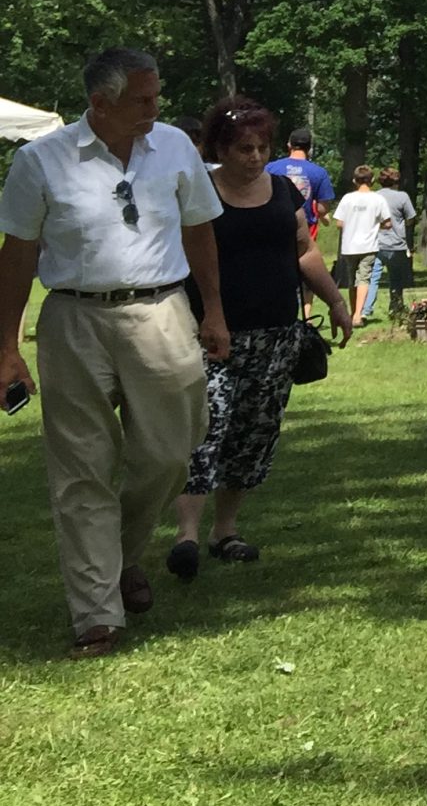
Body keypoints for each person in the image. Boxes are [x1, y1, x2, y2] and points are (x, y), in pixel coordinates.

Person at [0, 48, 229, 657]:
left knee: (170, 451)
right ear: (99, 104)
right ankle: (96, 614)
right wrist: (5, 346)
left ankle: (123, 555)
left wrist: (213, 310)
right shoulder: (39, 161)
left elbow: (199, 228)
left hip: (161, 311)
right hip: (73, 317)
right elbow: (17, 255)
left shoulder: (176, 149)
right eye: (142, 101)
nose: (155, 111)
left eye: (157, 98)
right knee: (81, 468)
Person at [170, 98, 350, 576]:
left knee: (253, 434)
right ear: (220, 150)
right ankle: (185, 535)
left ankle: (224, 531)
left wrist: (334, 300)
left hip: (275, 336)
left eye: (261, 147)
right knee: (204, 429)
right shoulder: (197, 193)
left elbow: (305, 251)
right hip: (209, 334)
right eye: (243, 148)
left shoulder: (282, 191)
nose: (253, 157)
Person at [334, 167, 390, 324]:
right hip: (368, 246)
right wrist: (375, 225)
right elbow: (387, 223)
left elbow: (339, 223)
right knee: (364, 279)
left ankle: (353, 313)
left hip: (349, 246)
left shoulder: (347, 198)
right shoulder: (378, 199)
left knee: (353, 280)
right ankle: (359, 314)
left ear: (354, 181)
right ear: (372, 181)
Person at [268, 130, 335, 236]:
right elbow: (322, 209)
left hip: (274, 227)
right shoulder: (319, 172)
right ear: (309, 148)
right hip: (303, 230)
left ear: (289, 145)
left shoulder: (270, 168)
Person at [375, 165, 419, 316]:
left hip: (375, 243)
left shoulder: (374, 196)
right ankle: (396, 307)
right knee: (396, 279)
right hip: (396, 243)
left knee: (372, 278)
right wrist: (404, 226)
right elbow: (411, 217)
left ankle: (365, 309)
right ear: (396, 181)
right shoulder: (402, 197)